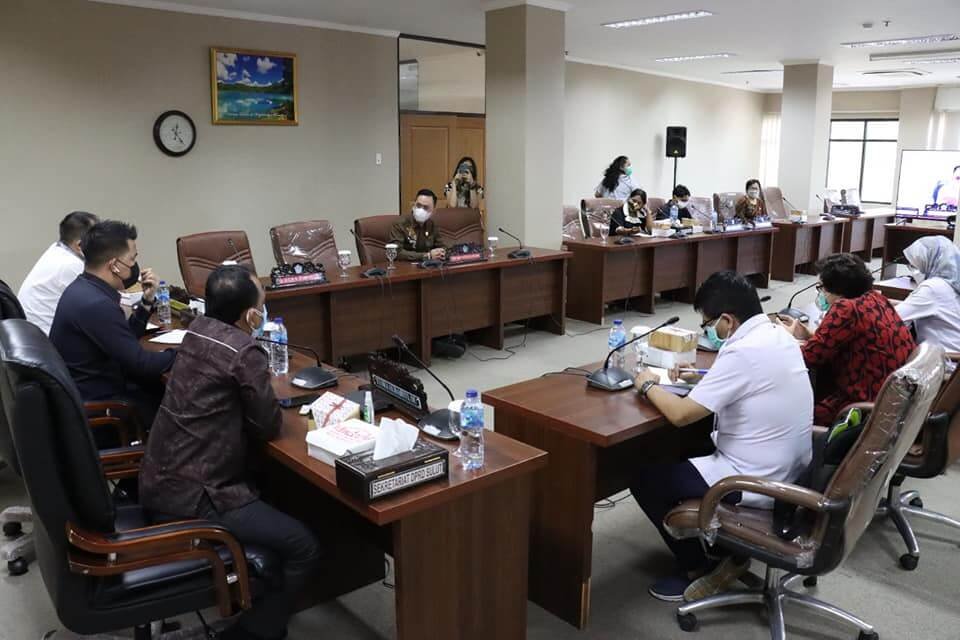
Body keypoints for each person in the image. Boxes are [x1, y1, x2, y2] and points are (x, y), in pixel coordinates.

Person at [140, 265, 320, 640]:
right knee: (303, 545)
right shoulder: (243, 350)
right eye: (262, 307)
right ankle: (254, 633)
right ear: (251, 316)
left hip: (159, 476)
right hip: (197, 496)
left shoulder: (196, 330)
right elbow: (267, 426)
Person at [631, 271, 813, 602]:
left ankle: (697, 566)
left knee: (645, 478)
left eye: (708, 324)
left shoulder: (743, 351)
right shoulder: (777, 335)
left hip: (754, 479)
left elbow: (681, 415)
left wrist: (647, 384)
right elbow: (752, 381)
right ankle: (720, 547)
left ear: (727, 320)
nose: (708, 331)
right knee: (687, 449)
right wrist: (704, 377)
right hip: (794, 472)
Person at [49, 220, 175, 442]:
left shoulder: (84, 289)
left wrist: (147, 302)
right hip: (104, 411)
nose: (135, 265)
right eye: (132, 259)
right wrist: (186, 352)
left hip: (94, 393)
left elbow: (122, 339)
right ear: (115, 265)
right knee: (179, 403)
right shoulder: (95, 305)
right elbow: (141, 364)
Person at [781, 253, 916, 426]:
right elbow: (845, 340)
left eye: (821, 287)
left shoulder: (846, 308)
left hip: (863, 406)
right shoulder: (876, 298)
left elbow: (810, 357)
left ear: (837, 288)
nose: (821, 294)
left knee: (791, 418)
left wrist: (784, 338)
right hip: (892, 398)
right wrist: (809, 335)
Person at [18, 211, 99, 335]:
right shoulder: (71, 265)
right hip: (46, 340)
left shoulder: (56, 250)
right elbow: (101, 306)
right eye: (99, 239)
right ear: (80, 245)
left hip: (31, 334)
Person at [895, 236, 960, 355]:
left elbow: (893, 319)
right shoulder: (952, 283)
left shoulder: (933, 288)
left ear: (928, 262)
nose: (913, 271)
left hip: (943, 360)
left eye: (914, 265)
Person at [390, 188, 446, 262]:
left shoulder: (432, 224)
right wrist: (427, 256)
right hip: (405, 265)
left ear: (433, 211)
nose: (421, 210)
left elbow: (443, 247)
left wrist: (441, 253)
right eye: (418, 205)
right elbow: (396, 252)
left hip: (428, 266)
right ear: (413, 205)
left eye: (426, 207)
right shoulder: (400, 223)